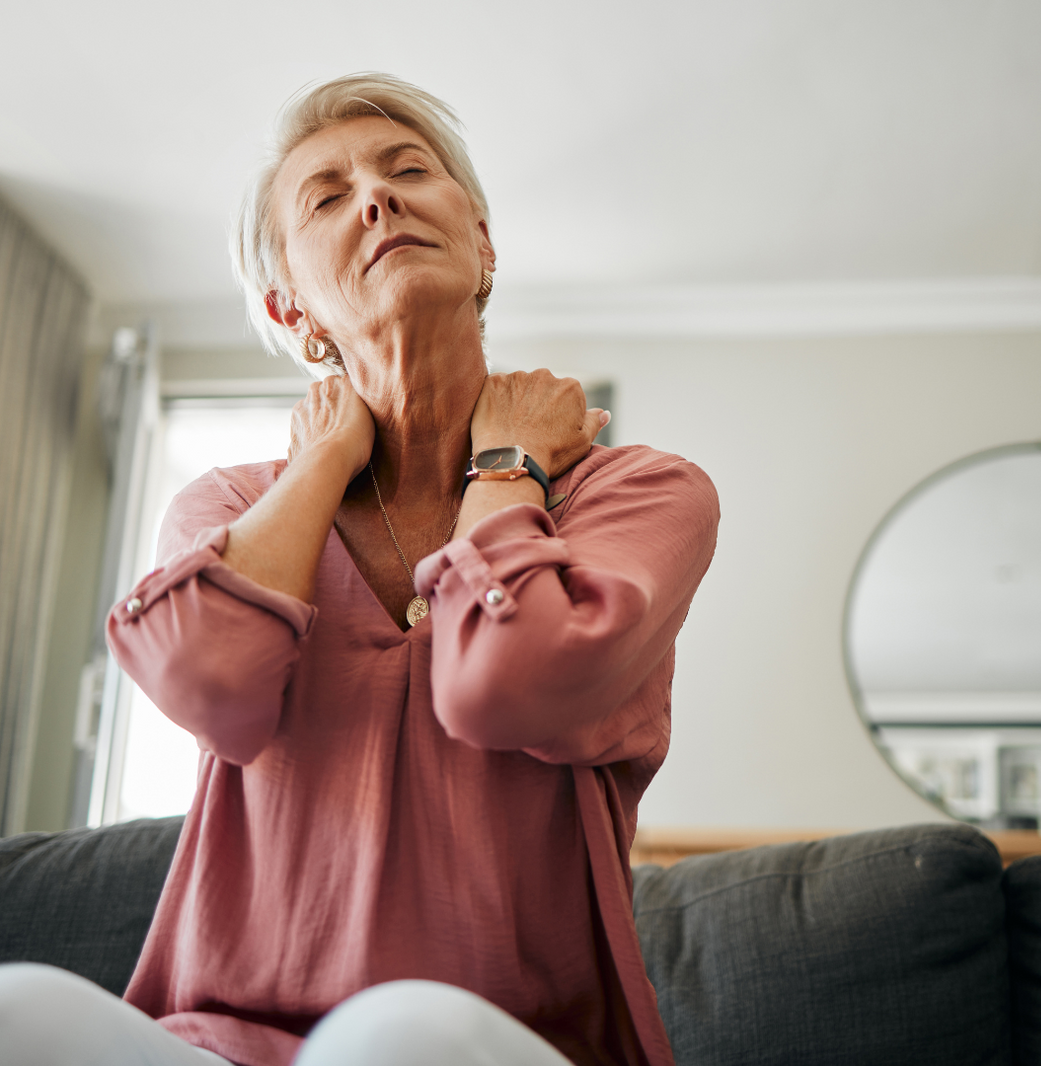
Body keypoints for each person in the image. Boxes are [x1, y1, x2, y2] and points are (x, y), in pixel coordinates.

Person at [0, 73, 718, 1066]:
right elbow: (212, 682)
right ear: (291, 310)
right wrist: (318, 463)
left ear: (483, 245)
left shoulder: (635, 493)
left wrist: (505, 469)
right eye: (327, 197)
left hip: (488, 1041)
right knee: (18, 1008)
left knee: (394, 1035)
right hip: (219, 1041)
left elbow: (502, 685)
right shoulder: (225, 507)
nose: (376, 197)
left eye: (407, 170)